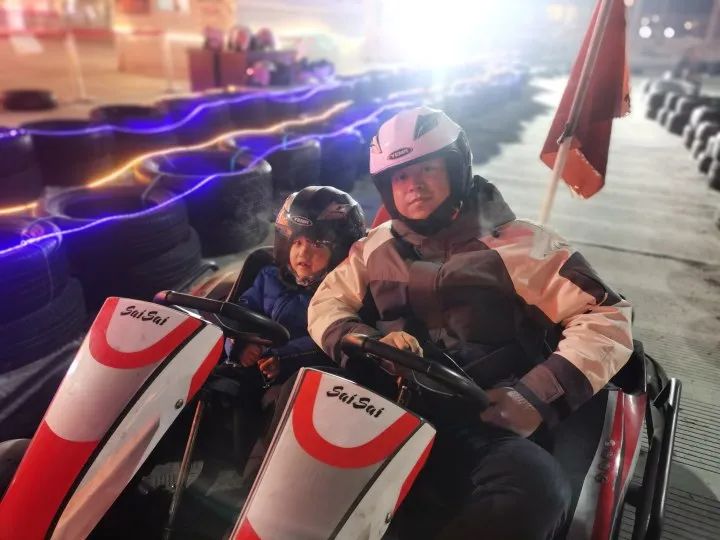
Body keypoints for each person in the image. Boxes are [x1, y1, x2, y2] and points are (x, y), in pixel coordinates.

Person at [307, 107, 633, 539]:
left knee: (537, 489)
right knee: (294, 409)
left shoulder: (524, 247)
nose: (414, 185)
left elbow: (606, 317)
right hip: (386, 402)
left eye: (428, 168)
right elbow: (327, 302)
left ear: (457, 168)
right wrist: (362, 338)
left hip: (481, 417)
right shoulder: (375, 247)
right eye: (401, 176)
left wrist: (534, 397)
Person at [228, 185, 366, 401]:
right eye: (297, 242)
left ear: (339, 252)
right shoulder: (269, 276)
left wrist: (283, 360)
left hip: (297, 376)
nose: (303, 252)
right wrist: (242, 342)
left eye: (316, 244)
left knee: (275, 399)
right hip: (251, 366)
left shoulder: (340, 297)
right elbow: (241, 311)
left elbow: (327, 343)